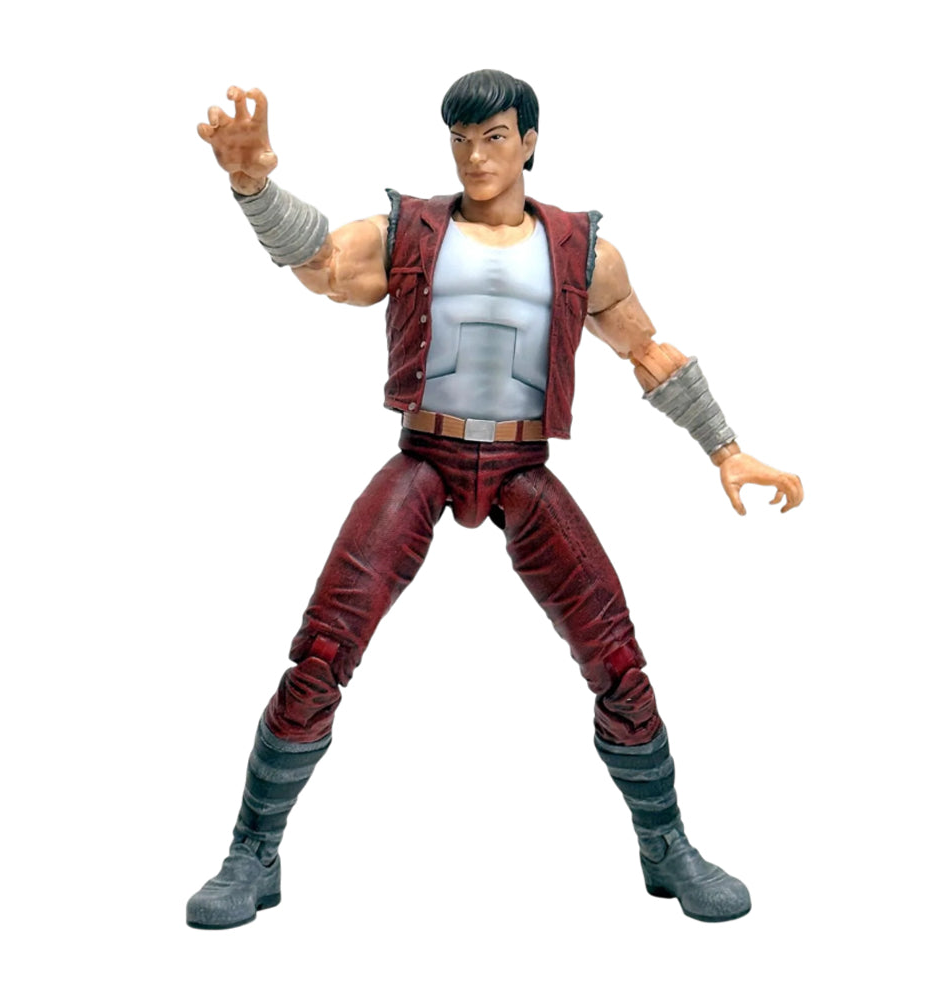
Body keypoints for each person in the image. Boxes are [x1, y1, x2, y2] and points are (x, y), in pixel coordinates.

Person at [187, 69, 803, 930]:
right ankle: (252, 852)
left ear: (530, 142)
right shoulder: (411, 231)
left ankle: (667, 846)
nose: (476, 157)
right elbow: (323, 263)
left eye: (495, 138)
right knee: (324, 648)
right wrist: (253, 186)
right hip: (426, 456)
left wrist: (726, 449)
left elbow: (649, 352)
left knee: (616, 658)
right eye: (461, 140)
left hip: (521, 466)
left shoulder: (582, 252)